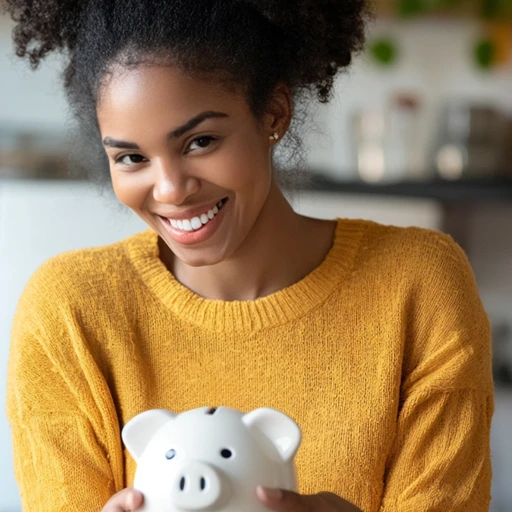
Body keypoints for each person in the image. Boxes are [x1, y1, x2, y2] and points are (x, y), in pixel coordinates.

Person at [4, 0, 494, 511]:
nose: (170, 190)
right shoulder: (68, 313)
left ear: (273, 113)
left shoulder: (419, 286)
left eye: (201, 141)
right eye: (131, 157)